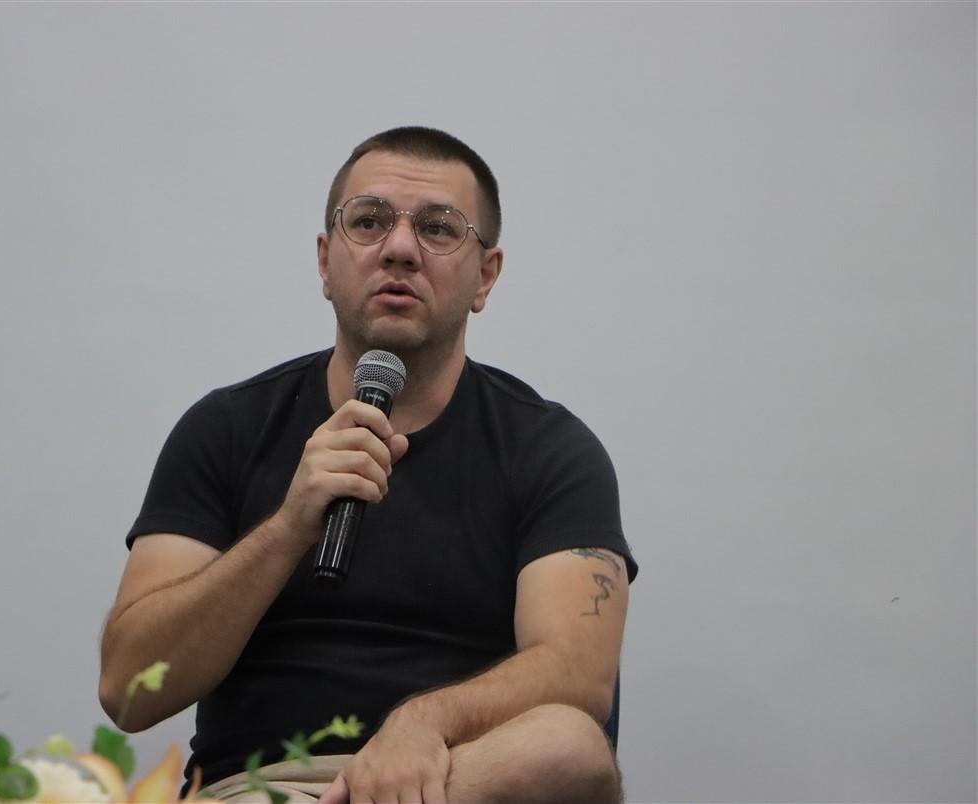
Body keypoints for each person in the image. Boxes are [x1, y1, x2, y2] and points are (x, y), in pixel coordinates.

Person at [99, 126, 637, 803]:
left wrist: (425, 722)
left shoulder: (551, 449)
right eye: (369, 222)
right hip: (263, 787)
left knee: (568, 745)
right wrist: (288, 527)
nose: (401, 248)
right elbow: (128, 688)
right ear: (326, 262)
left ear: (485, 275)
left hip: (449, 782)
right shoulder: (226, 428)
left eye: (438, 229)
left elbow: (579, 675)